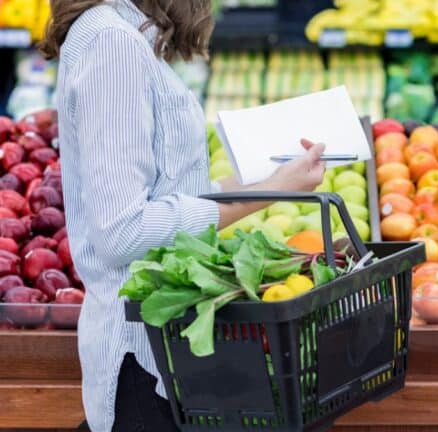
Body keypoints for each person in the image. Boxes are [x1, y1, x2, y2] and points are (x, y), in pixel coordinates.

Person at [39, 1, 326, 430]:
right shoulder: (111, 43)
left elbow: (171, 196)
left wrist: (274, 180)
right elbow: (123, 231)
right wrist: (273, 193)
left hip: (166, 353)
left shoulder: (122, 33)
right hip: (142, 359)